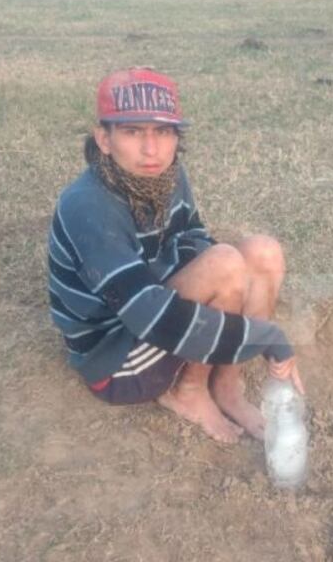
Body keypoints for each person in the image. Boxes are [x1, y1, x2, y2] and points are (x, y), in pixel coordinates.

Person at [47, 67, 304, 444]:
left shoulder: (166, 173)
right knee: (225, 265)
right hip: (115, 355)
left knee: (263, 252)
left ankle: (227, 387)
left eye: (163, 132)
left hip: (151, 300)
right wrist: (264, 334)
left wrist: (206, 276)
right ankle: (188, 390)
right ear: (104, 138)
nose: (152, 150)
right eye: (133, 132)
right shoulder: (87, 205)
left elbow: (193, 234)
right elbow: (150, 317)